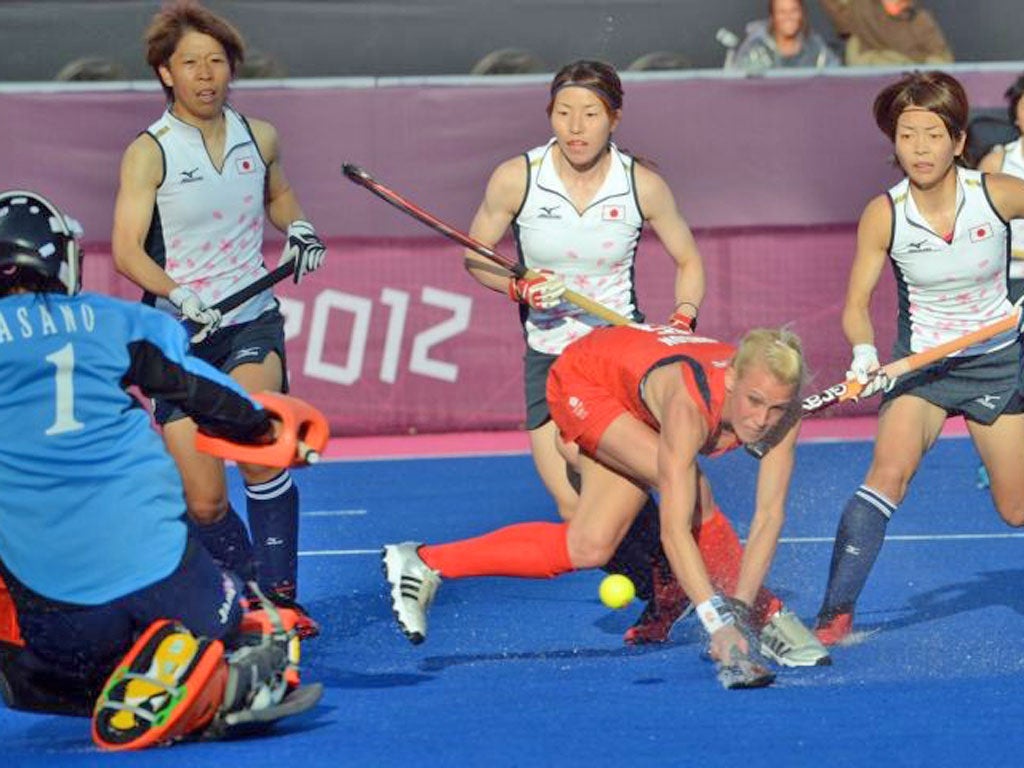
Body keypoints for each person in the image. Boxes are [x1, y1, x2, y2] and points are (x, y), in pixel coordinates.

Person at [0, 189, 320, 745]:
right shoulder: (111, 320)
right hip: (168, 580)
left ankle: (111, 675)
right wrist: (267, 430)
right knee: (239, 627)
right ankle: (219, 671)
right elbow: (219, 402)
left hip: (59, 623)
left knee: (16, 672)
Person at [383, 324, 831, 687]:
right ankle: (772, 615)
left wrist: (739, 605)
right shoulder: (688, 406)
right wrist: (721, 624)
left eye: (776, 408)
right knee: (692, 492)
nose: (761, 420)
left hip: (633, 387)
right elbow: (674, 529)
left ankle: (424, 561)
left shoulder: (781, 414)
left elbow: (769, 516)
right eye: (754, 402)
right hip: (586, 381)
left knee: (591, 546)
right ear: (732, 378)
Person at [458, 59, 707, 643]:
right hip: (547, 356)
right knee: (574, 514)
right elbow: (475, 256)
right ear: (550, 115)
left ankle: (690, 571)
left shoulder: (640, 183)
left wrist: (681, 318)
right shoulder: (516, 178)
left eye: (591, 114)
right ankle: (662, 582)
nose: (577, 126)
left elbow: (689, 261)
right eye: (565, 112)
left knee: (582, 459)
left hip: (616, 357)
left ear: (613, 118)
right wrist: (516, 285)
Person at [111, 0, 326, 636]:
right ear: (164, 74)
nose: (206, 75)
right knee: (204, 502)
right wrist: (179, 294)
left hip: (250, 321)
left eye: (217, 63)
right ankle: (247, 594)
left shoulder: (259, 137)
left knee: (262, 453)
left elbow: (278, 195)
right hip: (176, 336)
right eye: (191, 64)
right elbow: (126, 251)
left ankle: (284, 598)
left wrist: (300, 227)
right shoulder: (148, 153)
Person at [814, 71, 1024, 645]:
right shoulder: (885, 213)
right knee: (888, 473)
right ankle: (834, 614)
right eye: (908, 136)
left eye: (933, 135)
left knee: (1015, 511)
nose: (920, 148)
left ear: (958, 141)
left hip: (996, 365)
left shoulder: (998, 193)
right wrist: (863, 355)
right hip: (922, 372)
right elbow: (856, 305)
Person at [817, 0, 953, 65]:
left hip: (918, 89)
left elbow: (943, 60)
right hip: (873, 88)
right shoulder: (859, 11)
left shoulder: (920, 18)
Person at [730, 0, 840, 72]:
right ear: (773, 17)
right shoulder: (757, 48)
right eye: (782, 12)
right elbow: (738, 84)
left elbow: (834, 80)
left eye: (794, 11)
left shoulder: (815, 47)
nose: (788, 17)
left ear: (801, 14)